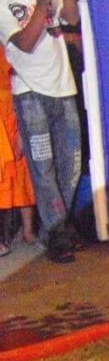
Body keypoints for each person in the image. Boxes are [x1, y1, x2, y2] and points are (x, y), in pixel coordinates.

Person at [0, 0, 81, 263]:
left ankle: (56, 227)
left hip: (63, 88)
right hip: (31, 93)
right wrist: (43, 2)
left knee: (71, 166)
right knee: (43, 168)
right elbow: (26, 42)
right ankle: (58, 234)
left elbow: (73, 18)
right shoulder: (4, 2)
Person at [0, 46, 34, 255]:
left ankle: (28, 231)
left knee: (23, 172)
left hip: (13, 111)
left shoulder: (7, 42)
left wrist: (22, 127)